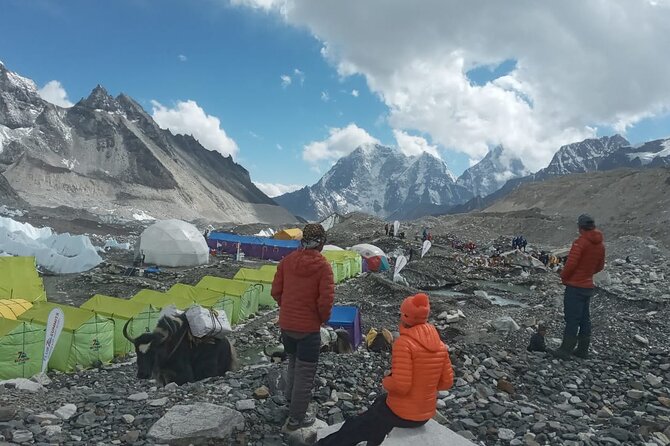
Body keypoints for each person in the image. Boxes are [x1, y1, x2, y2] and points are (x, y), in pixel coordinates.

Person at [312, 293, 454, 446]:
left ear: (406, 316)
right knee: (379, 405)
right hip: (424, 413)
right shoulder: (439, 345)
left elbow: (401, 386)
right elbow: (446, 382)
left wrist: (387, 380)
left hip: (403, 414)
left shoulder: (404, 344)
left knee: (355, 426)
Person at [271, 223, 335, 431]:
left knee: (292, 363)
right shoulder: (323, 266)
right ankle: (296, 419)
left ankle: (290, 401)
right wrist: (321, 318)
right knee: (306, 374)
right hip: (309, 329)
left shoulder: (287, 262)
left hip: (287, 326)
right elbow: (325, 301)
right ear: (321, 243)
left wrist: (287, 308)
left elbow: (275, 292)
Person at [553, 214, 605, 360]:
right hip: (588, 286)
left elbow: (571, 264)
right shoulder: (600, 244)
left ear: (580, 227)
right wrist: (588, 274)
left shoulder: (580, 243)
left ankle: (565, 350)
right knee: (584, 318)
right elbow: (600, 266)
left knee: (572, 318)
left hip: (575, 286)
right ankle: (583, 350)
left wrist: (564, 276)